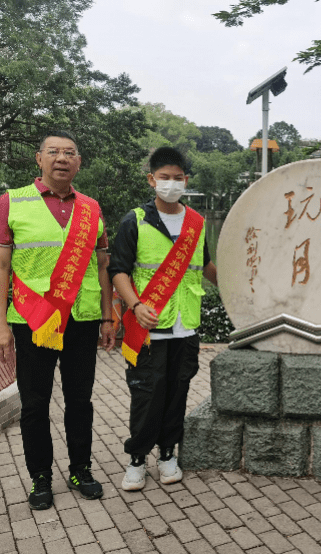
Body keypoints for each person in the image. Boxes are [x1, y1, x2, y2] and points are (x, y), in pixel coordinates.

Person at [0, 131, 115, 511]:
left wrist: (108, 317)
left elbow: (103, 266)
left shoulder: (92, 207)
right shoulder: (11, 202)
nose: (62, 158)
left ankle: (80, 469)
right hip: (33, 320)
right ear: (39, 159)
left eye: (70, 153)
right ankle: (40, 475)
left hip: (81, 319)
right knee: (35, 403)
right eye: (54, 152)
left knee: (80, 400)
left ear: (78, 163)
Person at [109, 146, 218, 491]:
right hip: (149, 326)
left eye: (177, 178)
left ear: (186, 180)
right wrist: (135, 304)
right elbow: (118, 271)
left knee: (177, 393)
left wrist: (245, 286)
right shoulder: (135, 220)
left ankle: (168, 453)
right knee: (146, 395)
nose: (171, 183)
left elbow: (207, 267)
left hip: (185, 325)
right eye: (164, 177)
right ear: (151, 180)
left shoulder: (197, 223)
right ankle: (137, 458)